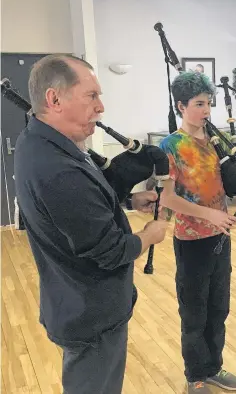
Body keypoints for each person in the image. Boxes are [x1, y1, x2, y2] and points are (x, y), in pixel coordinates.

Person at [14, 54, 168, 394]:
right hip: (91, 312)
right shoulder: (58, 167)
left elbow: (75, 211)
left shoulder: (38, 142)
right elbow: (111, 251)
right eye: (92, 96)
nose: (101, 108)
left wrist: (127, 201)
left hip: (73, 300)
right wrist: (149, 235)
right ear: (54, 99)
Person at [159, 71, 236, 394]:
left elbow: (227, 183)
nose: (206, 111)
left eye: (208, 104)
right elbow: (167, 198)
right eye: (199, 104)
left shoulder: (217, 143)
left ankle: (213, 367)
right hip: (191, 242)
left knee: (218, 308)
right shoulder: (170, 146)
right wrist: (210, 213)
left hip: (221, 239)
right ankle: (194, 374)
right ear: (181, 105)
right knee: (194, 312)